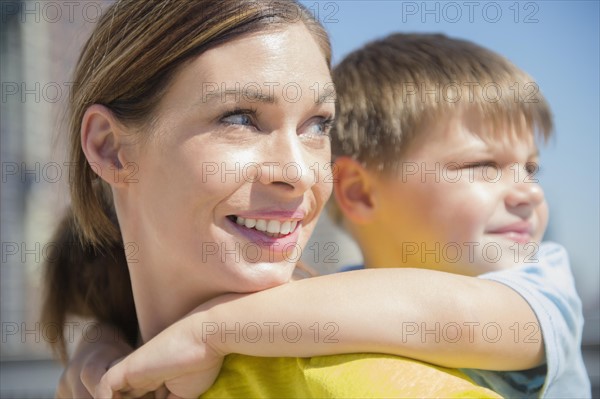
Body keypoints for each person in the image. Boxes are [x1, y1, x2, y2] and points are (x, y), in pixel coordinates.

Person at [43, 1, 501, 398]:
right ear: (110, 148)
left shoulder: (371, 383)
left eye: (318, 125)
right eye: (240, 118)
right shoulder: (105, 369)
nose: (300, 173)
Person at [91, 33, 590, 398]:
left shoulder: (542, 281)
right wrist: (101, 350)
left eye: (530, 168)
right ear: (360, 193)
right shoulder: (329, 302)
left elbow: (450, 315)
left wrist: (207, 330)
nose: (527, 192)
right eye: (483, 166)